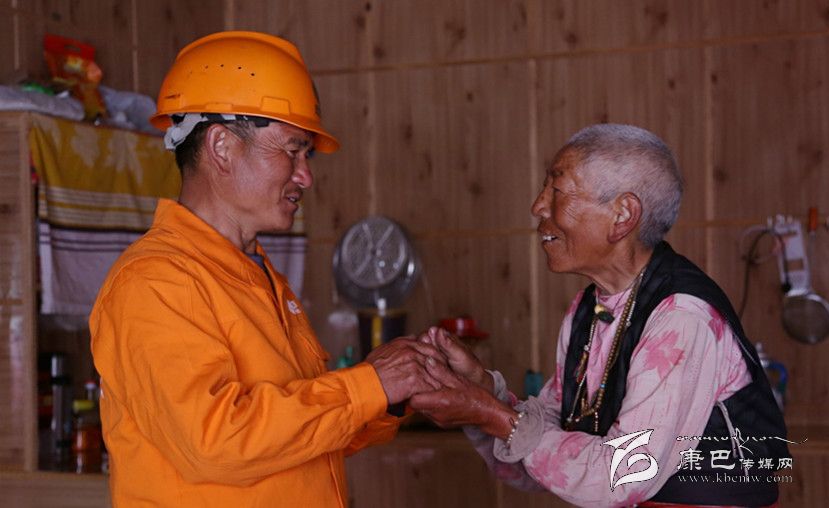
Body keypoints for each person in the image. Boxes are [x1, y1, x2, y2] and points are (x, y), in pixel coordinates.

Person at [90, 31, 445, 507]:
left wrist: (392, 394)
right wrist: (368, 385)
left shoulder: (256, 276)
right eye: (291, 150)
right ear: (221, 146)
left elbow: (297, 435)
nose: (306, 176)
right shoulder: (156, 281)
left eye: (306, 155)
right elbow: (218, 442)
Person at [410, 124, 790, 507]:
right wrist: (480, 391)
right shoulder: (590, 309)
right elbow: (545, 459)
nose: (538, 206)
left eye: (557, 190)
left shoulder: (682, 317)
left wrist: (490, 414)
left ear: (623, 215)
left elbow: (622, 476)